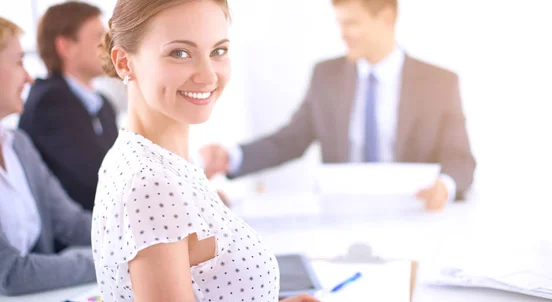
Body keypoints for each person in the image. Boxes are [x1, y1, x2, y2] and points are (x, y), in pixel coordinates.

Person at [93, 1, 318, 301]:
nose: (208, 75)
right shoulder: (151, 182)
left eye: (218, 51)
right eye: (180, 53)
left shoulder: (149, 159)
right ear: (124, 62)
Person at [200, 0, 476, 211]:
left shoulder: (439, 83)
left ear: (387, 18)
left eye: (351, 24)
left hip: (414, 214)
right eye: (340, 23)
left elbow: (460, 158)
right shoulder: (326, 76)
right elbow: (291, 139)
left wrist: (445, 186)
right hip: (342, 215)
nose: (343, 34)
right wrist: (232, 157)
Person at [0, 16, 95, 296]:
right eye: (19, 62)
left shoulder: (18, 145)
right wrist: (116, 258)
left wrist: (141, 236)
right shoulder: (52, 103)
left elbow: (71, 221)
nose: (29, 77)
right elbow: (11, 274)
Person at [18, 1, 118, 211]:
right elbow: (99, 178)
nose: (109, 44)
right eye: (98, 36)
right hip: (73, 236)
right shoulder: (50, 102)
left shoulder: (102, 104)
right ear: (66, 46)